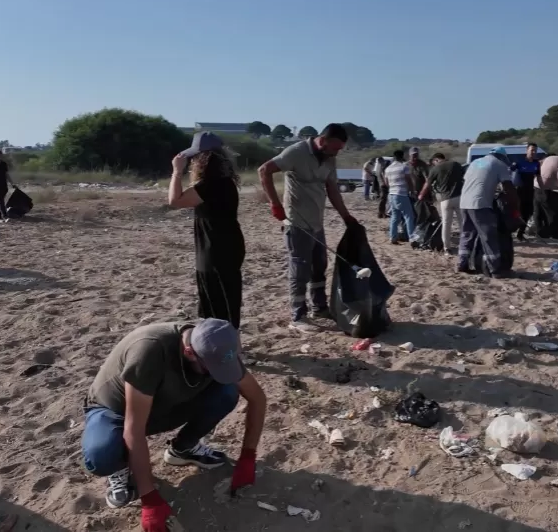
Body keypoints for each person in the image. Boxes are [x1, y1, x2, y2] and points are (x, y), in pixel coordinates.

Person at [80, 319, 266, 532]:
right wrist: (149, 498)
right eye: (211, 368)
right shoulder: (150, 351)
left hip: (164, 403)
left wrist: (248, 457)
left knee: (227, 392)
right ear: (189, 352)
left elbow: (257, 398)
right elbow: (134, 429)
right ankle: (121, 467)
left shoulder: (217, 345)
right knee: (101, 455)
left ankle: (183, 448)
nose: (218, 371)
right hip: (117, 411)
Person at [258, 123, 358, 332]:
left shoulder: (330, 158)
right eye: (336, 147)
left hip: (316, 222)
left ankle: (319, 308)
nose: (338, 152)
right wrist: (274, 204)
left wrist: (346, 216)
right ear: (323, 141)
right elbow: (264, 170)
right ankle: (297, 316)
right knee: (300, 269)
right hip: (297, 222)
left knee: (319, 266)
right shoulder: (296, 152)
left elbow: (332, 189)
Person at [167, 131, 245, 329]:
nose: (192, 162)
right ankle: (227, 345)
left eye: (194, 158)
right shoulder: (223, 182)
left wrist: (176, 172)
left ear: (204, 159)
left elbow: (175, 201)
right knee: (224, 301)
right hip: (224, 247)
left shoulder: (212, 185)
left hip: (216, 250)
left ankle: (227, 348)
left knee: (218, 304)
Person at [457, 147, 520, 278]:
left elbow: (474, 181)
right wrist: (515, 206)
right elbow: (508, 187)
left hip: (464, 202)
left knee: (467, 233)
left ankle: (462, 264)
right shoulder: (499, 164)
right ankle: (495, 269)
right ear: (502, 157)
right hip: (480, 204)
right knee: (489, 236)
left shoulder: (475, 162)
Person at [419, 152, 464, 254]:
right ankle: (464, 246)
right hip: (459, 198)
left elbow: (427, 184)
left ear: (436, 160)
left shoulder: (435, 168)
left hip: (445, 199)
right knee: (462, 223)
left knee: (446, 224)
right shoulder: (456, 164)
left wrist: (421, 195)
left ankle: (447, 248)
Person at [384, 148, 418, 245]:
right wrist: (412, 191)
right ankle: (412, 238)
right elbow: (408, 180)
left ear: (394, 157)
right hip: (402, 194)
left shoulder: (388, 169)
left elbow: (386, 183)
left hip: (391, 195)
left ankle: (393, 237)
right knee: (409, 216)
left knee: (394, 217)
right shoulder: (403, 167)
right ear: (402, 157)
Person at [511, 143, 540, 241]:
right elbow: (509, 172)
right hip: (519, 191)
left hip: (530, 191)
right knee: (518, 212)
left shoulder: (536, 163)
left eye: (535, 150)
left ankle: (520, 233)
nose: (533, 152)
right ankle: (511, 230)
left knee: (529, 212)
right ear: (527, 150)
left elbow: (538, 177)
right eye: (531, 150)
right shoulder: (519, 162)